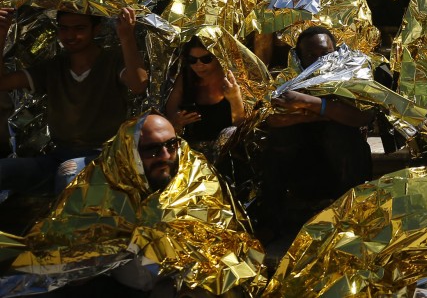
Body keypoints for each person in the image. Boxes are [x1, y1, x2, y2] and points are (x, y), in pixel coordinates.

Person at [0, 113, 265, 296]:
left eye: (171, 145)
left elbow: (222, 235)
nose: (165, 156)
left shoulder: (194, 175)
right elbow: (72, 240)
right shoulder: (102, 181)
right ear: (130, 153)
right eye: (151, 149)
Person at [0, 6, 148, 197]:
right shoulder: (54, 67)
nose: (71, 35)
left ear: (96, 30)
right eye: (64, 29)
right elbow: (2, 83)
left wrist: (127, 36)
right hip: (58, 156)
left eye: (79, 28)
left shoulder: (111, 61)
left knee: (69, 172)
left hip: (103, 156)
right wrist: (1, 34)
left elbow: (138, 84)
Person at [253, 26, 376, 238]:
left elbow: (362, 116)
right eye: (311, 55)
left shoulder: (351, 74)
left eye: (325, 54)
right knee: (279, 141)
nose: (319, 59)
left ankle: (349, 219)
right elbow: (271, 119)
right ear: (300, 56)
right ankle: (272, 221)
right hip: (299, 161)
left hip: (341, 162)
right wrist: (322, 112)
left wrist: (308, 103)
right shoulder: (285, 79)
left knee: (341, 134)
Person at [164, 36, 247, 150]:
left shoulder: (233, 81)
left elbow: (241, 128)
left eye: (206, 59)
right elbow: (170, 117)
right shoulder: (186, 78)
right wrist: (177, 123)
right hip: (193, 152)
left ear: (218, 57)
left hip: (227, 151)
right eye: (192, 60)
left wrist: (235, 99)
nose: (199, 65)